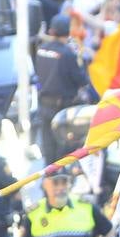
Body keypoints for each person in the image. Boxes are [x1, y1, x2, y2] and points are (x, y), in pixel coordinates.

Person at [34, 15, 90, 164]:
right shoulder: (68, 54)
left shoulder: (41, 49)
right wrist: (81, 61)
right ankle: (59, 180)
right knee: (62, 149)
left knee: (47, 146)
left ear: (52, 31)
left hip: (44, 103)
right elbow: (81, 80)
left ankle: (49, 179)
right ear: (68, 32)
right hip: (62, 108)